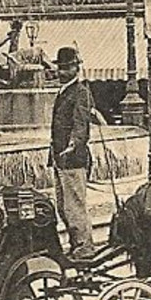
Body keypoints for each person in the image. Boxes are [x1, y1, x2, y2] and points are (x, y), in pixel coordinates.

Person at [48, 46, 95, 259]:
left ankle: (84, 248)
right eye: (61, 68)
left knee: (75, 206)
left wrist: (73, 145)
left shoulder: (81, 92)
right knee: (63, 206)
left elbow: (81, 123)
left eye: (67, 68)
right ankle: (76, 244)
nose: (62, 72)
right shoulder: (64, 91)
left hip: (73, 159)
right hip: (60, 158)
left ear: (76, 69)